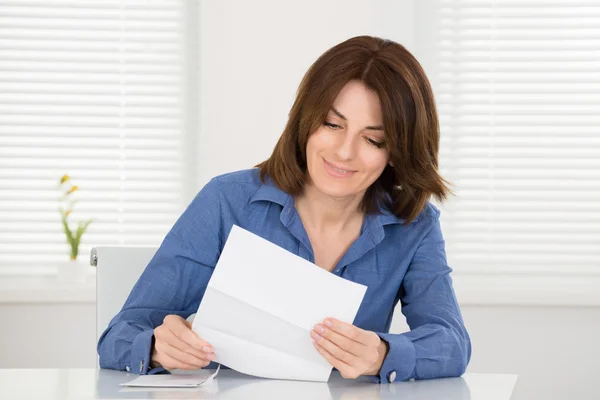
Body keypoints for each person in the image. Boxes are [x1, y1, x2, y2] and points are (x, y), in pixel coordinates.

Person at [98, 35, 471, 383]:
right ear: (305, 122)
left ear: (397, 153)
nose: (344, 152)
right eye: (331, 124)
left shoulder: (413, 224)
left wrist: (383, 353)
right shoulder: (227, 202)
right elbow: (118, 336)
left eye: (373, 139)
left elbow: (452, 344)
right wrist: (158, 348)